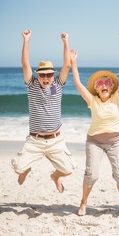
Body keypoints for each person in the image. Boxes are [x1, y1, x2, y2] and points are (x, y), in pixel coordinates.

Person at [11, 30, 75, 193]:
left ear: (53, 75)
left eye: (49, 75)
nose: (46, 78)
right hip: (35, 141)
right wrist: (26, 40)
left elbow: (67, 65)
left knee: (68, 169)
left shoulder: (58, 85)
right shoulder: (32, 85)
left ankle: (55, 177)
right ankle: (26, 170)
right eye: (42, 75)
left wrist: (66, 42)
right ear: (37, 76)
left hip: (55, 140)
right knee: (18, 167)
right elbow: (25, 64)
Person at [70, 48, 119, 216]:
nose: (104, 85)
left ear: (112, 89)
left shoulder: (117, 99)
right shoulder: (92, 100)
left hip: (115, 142)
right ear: (96, 89)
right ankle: (83, 202)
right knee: (92, 175)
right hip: (94, 142)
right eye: (100, 84)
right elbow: (77, 83)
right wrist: (74, 63)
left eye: (107, 83)